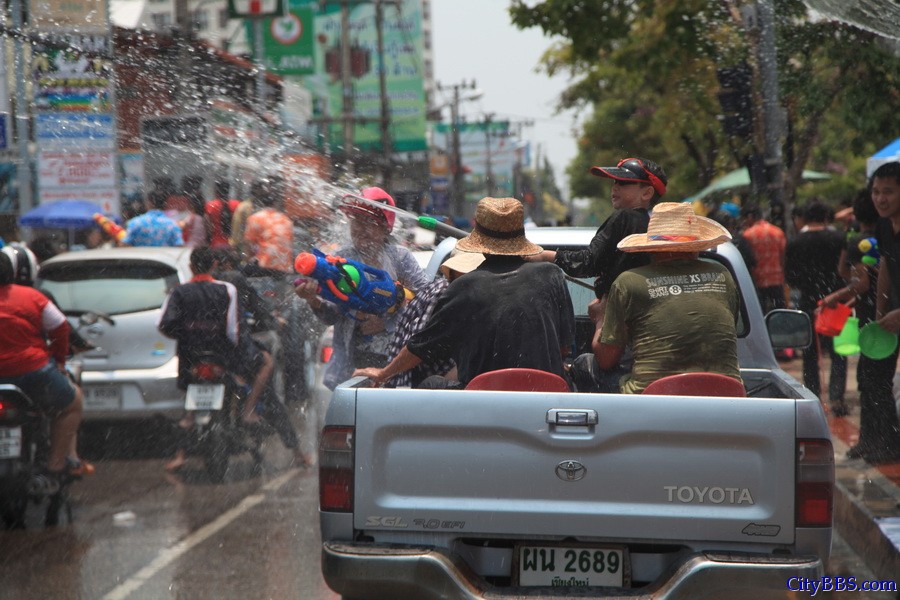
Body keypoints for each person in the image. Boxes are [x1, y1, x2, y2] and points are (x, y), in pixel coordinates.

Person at [353, 197, 575, 388]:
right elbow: (564, 347)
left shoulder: (465, 286)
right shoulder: (551, 274)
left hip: (483, 397)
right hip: (546, 391)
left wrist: (384, 373)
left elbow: (420, 348)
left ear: (478, 239)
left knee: (430, 384)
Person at [157, 247, 304, 471]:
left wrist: (188, 337)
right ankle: (251, 411)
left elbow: (165, 326)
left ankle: (180, 452)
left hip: (191, 360)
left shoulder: (179, 291)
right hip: (224, 357)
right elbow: (234, 331)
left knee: (189, 404)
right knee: (266, 365)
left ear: (190, 266)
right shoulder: (229, 288)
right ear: (215, 264)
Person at [528, 157, 667, 392]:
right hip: (644, 338)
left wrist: (545, 256)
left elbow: (589, 262)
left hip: (618, 328)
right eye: (614, 182)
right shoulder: (649, 226)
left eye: (623, 183)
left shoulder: (624, 218)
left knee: (581, 364)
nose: (614, 187)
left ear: (647, 193)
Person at [593, 202, 741, 394]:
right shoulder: (722, 274)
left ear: (651, 248)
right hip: (727, 392)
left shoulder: (629, 282)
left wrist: (599, 320)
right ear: (696, 245)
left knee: (585, 365)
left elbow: (606, 359)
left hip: (651, 397)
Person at [295, 187, 431, 390]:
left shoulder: (400, 258)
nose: (361, 228)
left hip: (397, 365)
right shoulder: (340, 259)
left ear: (386, 227)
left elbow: (427, 304)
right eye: (356, 220)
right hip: (353, 365)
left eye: (370, 222)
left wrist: (388, 319)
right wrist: (312, 299)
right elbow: (331, 316)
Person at [820, 187, 900, 463]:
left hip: (877, 324)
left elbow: (860, 283)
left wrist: (835, 297)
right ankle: (878, 440)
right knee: (878, 381)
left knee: (871, 382)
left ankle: (879, 441)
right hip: (885, 319)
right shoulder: (884, 237)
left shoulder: (860, 242)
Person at [0, 250, 87, 494]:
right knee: (73, 403)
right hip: (34, 374)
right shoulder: (33, 297)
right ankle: (55, 467)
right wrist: (59, 360)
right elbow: (60, 327)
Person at [383, 250, 485, 388]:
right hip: (420, 382)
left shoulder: (477, 295)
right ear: (453, 272)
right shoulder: (444, 293)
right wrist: (384, 373)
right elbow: (420, 347)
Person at [785, 200, 848, 415]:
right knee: (838, 351)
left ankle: (813, 396)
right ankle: (837, 397)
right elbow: (845, 271)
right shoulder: (839, 239)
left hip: (807, 302)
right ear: (826, 217)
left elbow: (790, 277)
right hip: (835, 301)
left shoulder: (795, 242)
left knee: (810, 351)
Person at [740, 204, 786, 314]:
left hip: (758, 280)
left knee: (761, 313)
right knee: (779, 312)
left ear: (750, 217)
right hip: (777, 279)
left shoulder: (747, 235)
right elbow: (783, 257)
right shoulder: (777, 232)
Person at [243, 177, 294, 274]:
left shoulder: (255, 218)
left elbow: (248, 244)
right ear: (275, 203)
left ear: (260, 202)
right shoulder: (286, 220)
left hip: (265, 267)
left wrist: (247, 260)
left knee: (243, 270)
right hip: (285, 267)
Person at [206, 180, 240, 249]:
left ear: (216, 191)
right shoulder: (237, 204)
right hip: (233, 244)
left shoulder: (210, 205)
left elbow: (208, 228)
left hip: (216, 243)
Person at [178, 176, 209, 247]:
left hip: (191, 246)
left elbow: (181, 225)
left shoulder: (192, 217)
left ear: (192, 205)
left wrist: (174, 221)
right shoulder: (204, 217)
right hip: (202, 246)